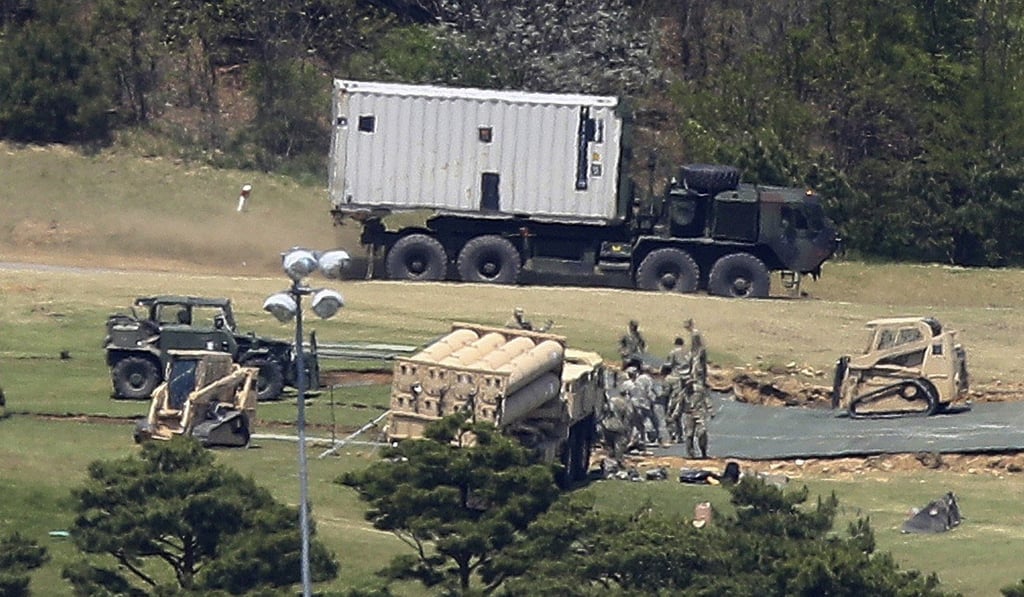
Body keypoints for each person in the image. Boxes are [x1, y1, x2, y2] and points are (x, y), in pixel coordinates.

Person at [681, 378, 712, 458]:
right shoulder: (683, 393)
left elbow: (707, 399)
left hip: (699, 413)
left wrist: (710, 409)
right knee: (689, 434)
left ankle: (703, 451)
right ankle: (691, 454)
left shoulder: (699, 390)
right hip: (688, 414)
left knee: (702, 432)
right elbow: (679, 404)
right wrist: (674, 415)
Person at [685, 319, 707, 385]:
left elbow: (699, 345)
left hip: (700, 352)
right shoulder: (693, 333)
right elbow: (694, 345)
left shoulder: (695, 334)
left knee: (698, 367)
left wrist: (697, 355)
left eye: (687, 327)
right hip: (698, 351)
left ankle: (700, 381)